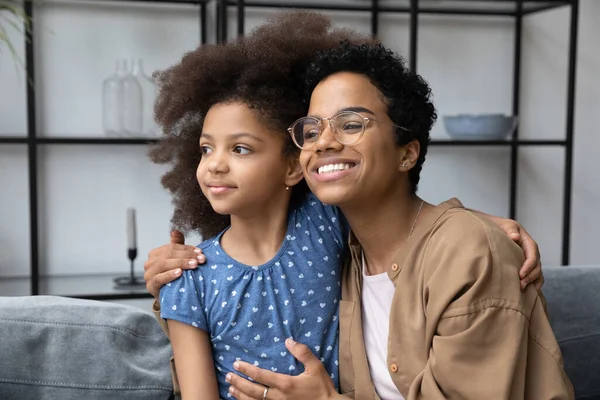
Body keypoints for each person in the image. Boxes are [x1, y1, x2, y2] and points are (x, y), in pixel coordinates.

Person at [142, 12, 550, 400]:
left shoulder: (336, 232)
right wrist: (174, 283)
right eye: (312, 129)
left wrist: (482, 227)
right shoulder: (344, 245)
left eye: (351, 124)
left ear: (407, 153)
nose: (324, 142)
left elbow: (439, 233)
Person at [149, 13, 370, 400]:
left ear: (292, 166)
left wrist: (484, 224)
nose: (215, 163)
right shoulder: (188, 279)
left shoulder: (326, 223)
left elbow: (401, 217)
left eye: (240, 148)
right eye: (206, 148)